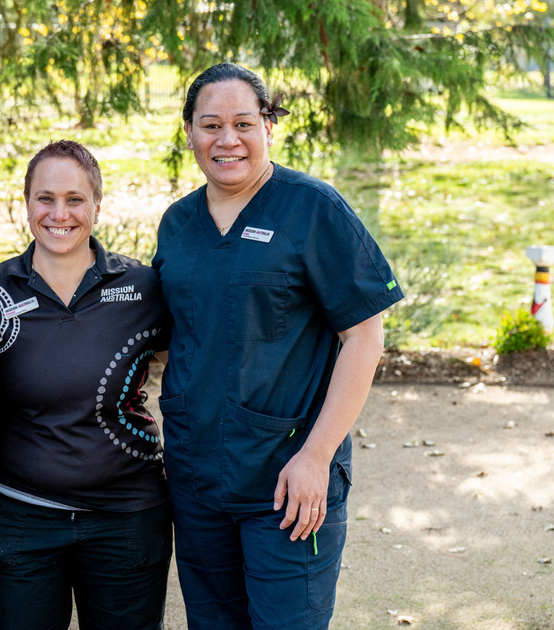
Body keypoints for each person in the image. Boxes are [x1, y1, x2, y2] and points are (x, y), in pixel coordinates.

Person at [152, 62, 405, 629]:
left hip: (288, 483)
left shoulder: (312, 209)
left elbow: (364, 335)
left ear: (269, 125)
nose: (227, 139)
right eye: (209, 124)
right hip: (196, 480)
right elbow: (179, 338)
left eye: (243, 122)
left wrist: (316, 458)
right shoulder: (178, 223)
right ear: (189, 131)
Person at [0, 140, 172, 630]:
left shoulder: (145, 288)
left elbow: (203, 365)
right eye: (45, 198)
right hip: (22, 517)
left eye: (75, 199)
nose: (59, 213)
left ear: (98, 207)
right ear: (26, 204)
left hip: (128, 516)